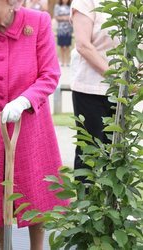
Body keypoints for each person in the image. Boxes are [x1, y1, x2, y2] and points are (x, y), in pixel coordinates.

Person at [0, 0, 69, 249]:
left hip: (30, 127)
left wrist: (23, 101)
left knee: (36, 193)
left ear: (14, 3)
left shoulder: (38, 22)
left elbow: (50, 74)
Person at [70, 0, 118, 183]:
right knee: (89, 154)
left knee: (119, 153)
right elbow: (83, 45)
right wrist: (116, 79)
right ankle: (88, 208)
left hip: (125, 93)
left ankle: (115, 207)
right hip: (91, 90)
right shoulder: (86, 1)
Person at [54, 0, 72, 67]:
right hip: (60, 29)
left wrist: (64, 18)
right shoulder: (57, 6)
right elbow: (56, 17)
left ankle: (67, 61)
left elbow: (71, 16)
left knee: (67, 46)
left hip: (68, 30)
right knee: (61, 46)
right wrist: (65, 18)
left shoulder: (70, 6)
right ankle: (62, 61)